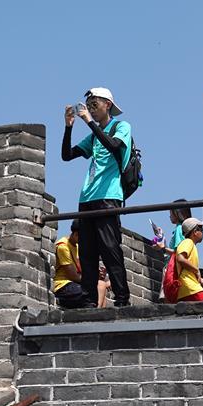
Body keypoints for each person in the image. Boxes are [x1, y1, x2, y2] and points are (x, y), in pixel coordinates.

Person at [62, 87, 132, 307]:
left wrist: (88, 120)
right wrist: (68, 127)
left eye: (94, 104)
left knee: (110, 248)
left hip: (109, 196)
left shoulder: (121, 126)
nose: (90, 108)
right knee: (88, 253)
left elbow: (113, 145)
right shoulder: (93, 136)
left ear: (107, 105)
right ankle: (89, 300)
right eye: (88, 104)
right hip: (87, 198)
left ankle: (122, 299)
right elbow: (67, 155)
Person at [53, 220, 111, 308]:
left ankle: (98, 318)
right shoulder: (63, 246)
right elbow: (73, 276)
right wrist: (94, 278)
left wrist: (99, 275)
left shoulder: (78, 246)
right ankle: (94, 316)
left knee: (101, 288)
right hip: (63, 287)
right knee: (99, 287)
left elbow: (84, 271)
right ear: (76, 234)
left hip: (75, 284)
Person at [155, 200, 191, 301]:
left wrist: (162, 248)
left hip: (172, 269)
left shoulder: (179, 229)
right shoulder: (181, 229)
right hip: (174, 268)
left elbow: (178, 252)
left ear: (177, 213)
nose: (169, 216)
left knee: (168, 297)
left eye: (171, 213)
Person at [176, 217, 203, 302]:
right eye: (201, 229)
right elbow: (180, 259)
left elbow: (193, 275)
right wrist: (196, 270)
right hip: (191, 289)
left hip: (187, 289)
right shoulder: (188, 242)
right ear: (195, 231)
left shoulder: (191, 245)